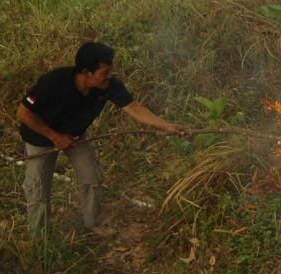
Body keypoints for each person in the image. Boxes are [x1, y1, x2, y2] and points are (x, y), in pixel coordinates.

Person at [16, 42, 187, 237]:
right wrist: (55, 137)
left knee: (92, 177)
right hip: (40, 137)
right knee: (38, 187)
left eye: (110, 71)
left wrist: (167, 126)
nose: (110, 76)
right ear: (86, 72)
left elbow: (134, 108)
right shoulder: (53, 82)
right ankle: (39, 237)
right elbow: (23, 113)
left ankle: (91, 224)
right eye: (104, 72)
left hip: (75, 135)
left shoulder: (108, 86)